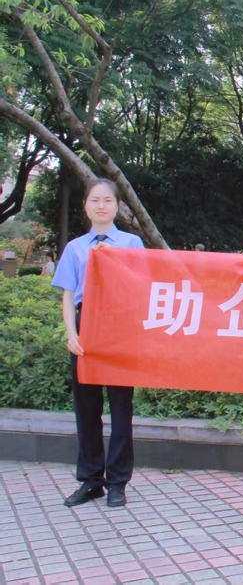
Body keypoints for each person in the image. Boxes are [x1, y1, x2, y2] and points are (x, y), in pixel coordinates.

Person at [51, 179, 144, 508]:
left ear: (117, 206)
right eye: (95, 200)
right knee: (87, 408)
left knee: (121, 408)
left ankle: (117, 482)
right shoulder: (75, 248)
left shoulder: (131, 244)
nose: (101, 206)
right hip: (85, 324)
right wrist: (72, 333)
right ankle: (91, 480)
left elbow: (141, 287)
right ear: (86, 206)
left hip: (120, 326)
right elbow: (67, 295)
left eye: (107, 200)